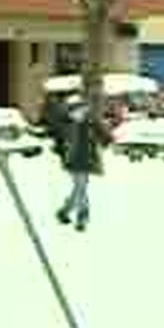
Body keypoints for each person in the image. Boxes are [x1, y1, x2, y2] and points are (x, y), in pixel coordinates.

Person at [56, 97, 112, 232]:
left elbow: (104, 136)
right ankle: (77, 215)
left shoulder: (91, 123)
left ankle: (69, 212)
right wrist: (61, 150)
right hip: (73, 160)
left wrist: (106, 140)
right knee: (80, 188)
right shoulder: (68, 124)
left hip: (87, 160)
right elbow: (60, 139)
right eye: (76, 111)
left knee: (79, 188)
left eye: (81, 110)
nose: (78, 114)